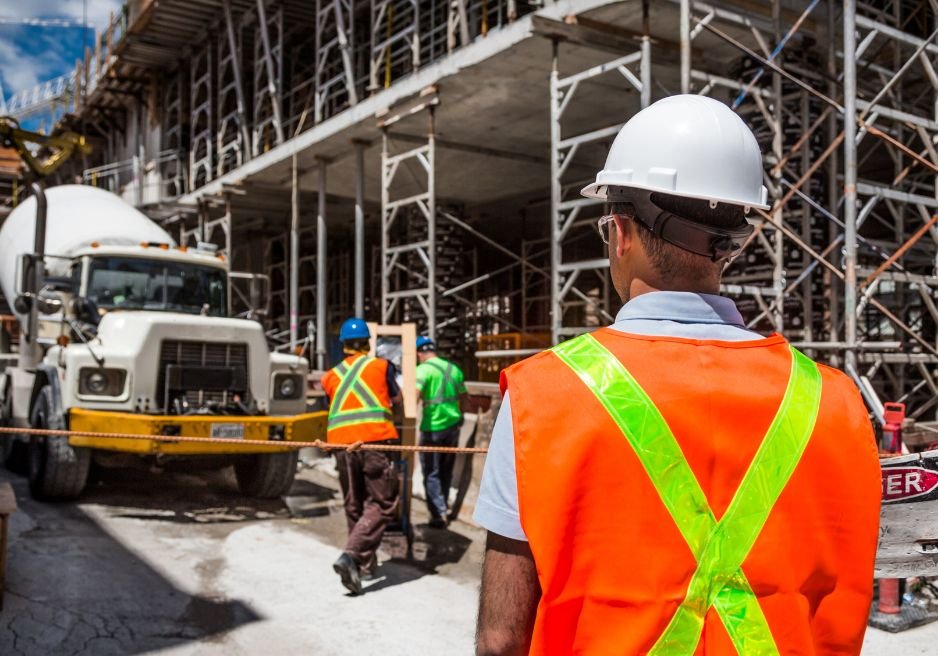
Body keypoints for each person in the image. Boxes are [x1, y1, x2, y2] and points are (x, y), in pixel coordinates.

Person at [473, 95, 881, 655]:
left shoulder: (540, 397)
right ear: (732, 245)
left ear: (619, 233)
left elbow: (501, 640)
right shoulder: (833, 401)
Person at [321, 317, 402, 595]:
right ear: (368, 343)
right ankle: (352, 555)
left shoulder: (330, 376)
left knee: (354, 503)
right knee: (384, 503)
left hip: (342, 447)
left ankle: (363, 566)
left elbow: (333, 407)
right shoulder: (381, 366)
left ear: (343, 345)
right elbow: (398, 399)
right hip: (373, 441)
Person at [415, 336, 467, 528]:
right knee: (446, 470)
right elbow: (465, 398)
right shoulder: (454, 369)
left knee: (431, 471)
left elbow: (415, 396)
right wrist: (460, 416)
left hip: (432, 428)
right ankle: (443, 505)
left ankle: (438, 514)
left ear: (420, 353)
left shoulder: (422, 370)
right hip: (453, 427)